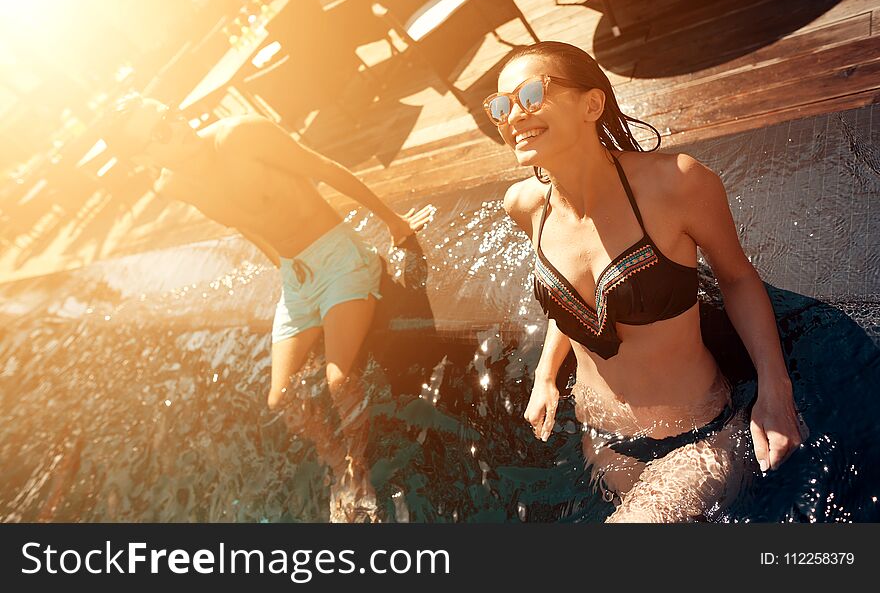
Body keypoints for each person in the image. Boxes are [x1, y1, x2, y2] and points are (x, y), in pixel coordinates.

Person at [488, 42, 804, 522]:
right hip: (603, 443)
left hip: (698, 436)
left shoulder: (677, 184)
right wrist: (545, 376)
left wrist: (775, 390)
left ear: (591, 104)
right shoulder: (525, 204)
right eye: (500, 105)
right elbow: (574, 305)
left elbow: (738, 279)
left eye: (531, 94)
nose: (513, 114)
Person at [101, 96, 433, 521]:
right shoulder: (173, 185)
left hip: (341, 258)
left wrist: (394, 223)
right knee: (282, 400)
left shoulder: (243, 135)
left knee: (338, 380)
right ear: (143, 157)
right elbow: (243, 223)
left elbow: (326, 169)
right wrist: (283, 267)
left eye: (169, 114)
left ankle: (357, 469)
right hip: (296, 279)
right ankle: (335, 465)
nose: (178, 126)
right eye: (161, 131)